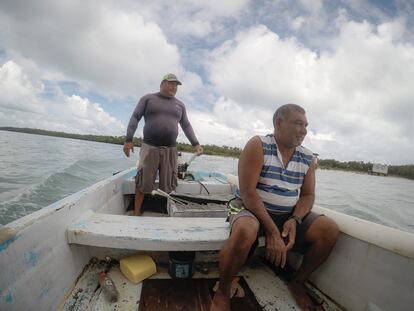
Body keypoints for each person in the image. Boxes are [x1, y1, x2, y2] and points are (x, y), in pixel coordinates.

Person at [211, 104, 339, 311]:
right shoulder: (259, 145)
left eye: (306, 125)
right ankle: (222, 291)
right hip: (249, 209)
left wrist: (295, 219)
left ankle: (297, 282)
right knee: (245, 230)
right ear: (278, 123)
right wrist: (273, 231)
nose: (304, 130)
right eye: (298, 124)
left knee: (329, 230)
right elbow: (248, 192)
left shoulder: (308, 158)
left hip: (286, 214)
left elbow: (308, 195)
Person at [123, 73, 203, 216]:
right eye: (171, 83)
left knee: (169, 184)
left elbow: (186, 125)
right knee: (143, 182)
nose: (174, 87)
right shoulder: (148, 99)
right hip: (149, 147)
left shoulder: (180, 105)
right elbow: (135, 117)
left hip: (170, 149)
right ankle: (136, 213)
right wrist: (129, 139)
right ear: (162, 84)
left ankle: (166, 213)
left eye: (176, 85)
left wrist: (195, 144)